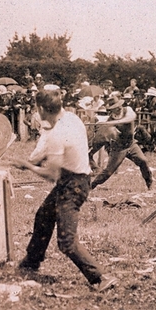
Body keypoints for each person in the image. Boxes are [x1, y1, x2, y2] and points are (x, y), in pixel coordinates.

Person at [12, 87, 117, 291]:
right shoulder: (71, 118)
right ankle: (31, 262)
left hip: (73, 185)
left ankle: (100, 277)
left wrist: (27, 166)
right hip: (74, 178)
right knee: (43, 216)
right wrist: (33, 159)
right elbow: (56, 151)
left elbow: (52, 175)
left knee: (66, 242)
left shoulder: (56, 134)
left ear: (41, 108)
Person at [89, 96, 153, 190]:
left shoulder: (128, 110)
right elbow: (108, 136)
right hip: (118, 148)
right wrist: (108, 127)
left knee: (143, 161)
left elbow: (130, 118)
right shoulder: (110, 120)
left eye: (119, 105)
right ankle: (92, 185)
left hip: (131, 144)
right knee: (108, 172)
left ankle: (149, 184)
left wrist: (115, 123)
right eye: (116, 107)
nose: (119, 108)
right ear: (112, 110)